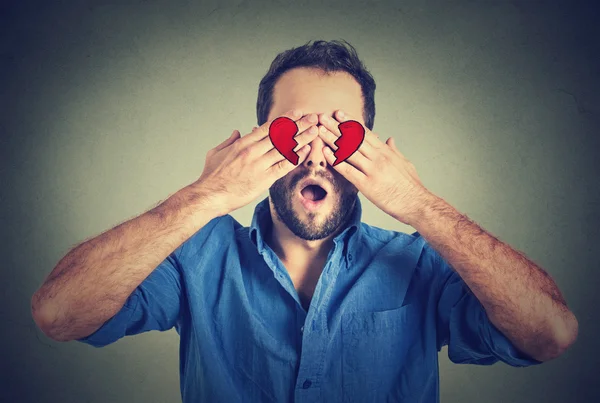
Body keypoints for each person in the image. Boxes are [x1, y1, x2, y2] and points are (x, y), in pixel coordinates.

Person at [31, 40, 578, 402]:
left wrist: (417, 203)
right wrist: (205, 195)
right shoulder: (198, 257)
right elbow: (59, 314)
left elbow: (551, 334)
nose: (316, 157)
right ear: (255, 142)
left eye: (341, 135)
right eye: (292, 132)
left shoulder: (417, 263)